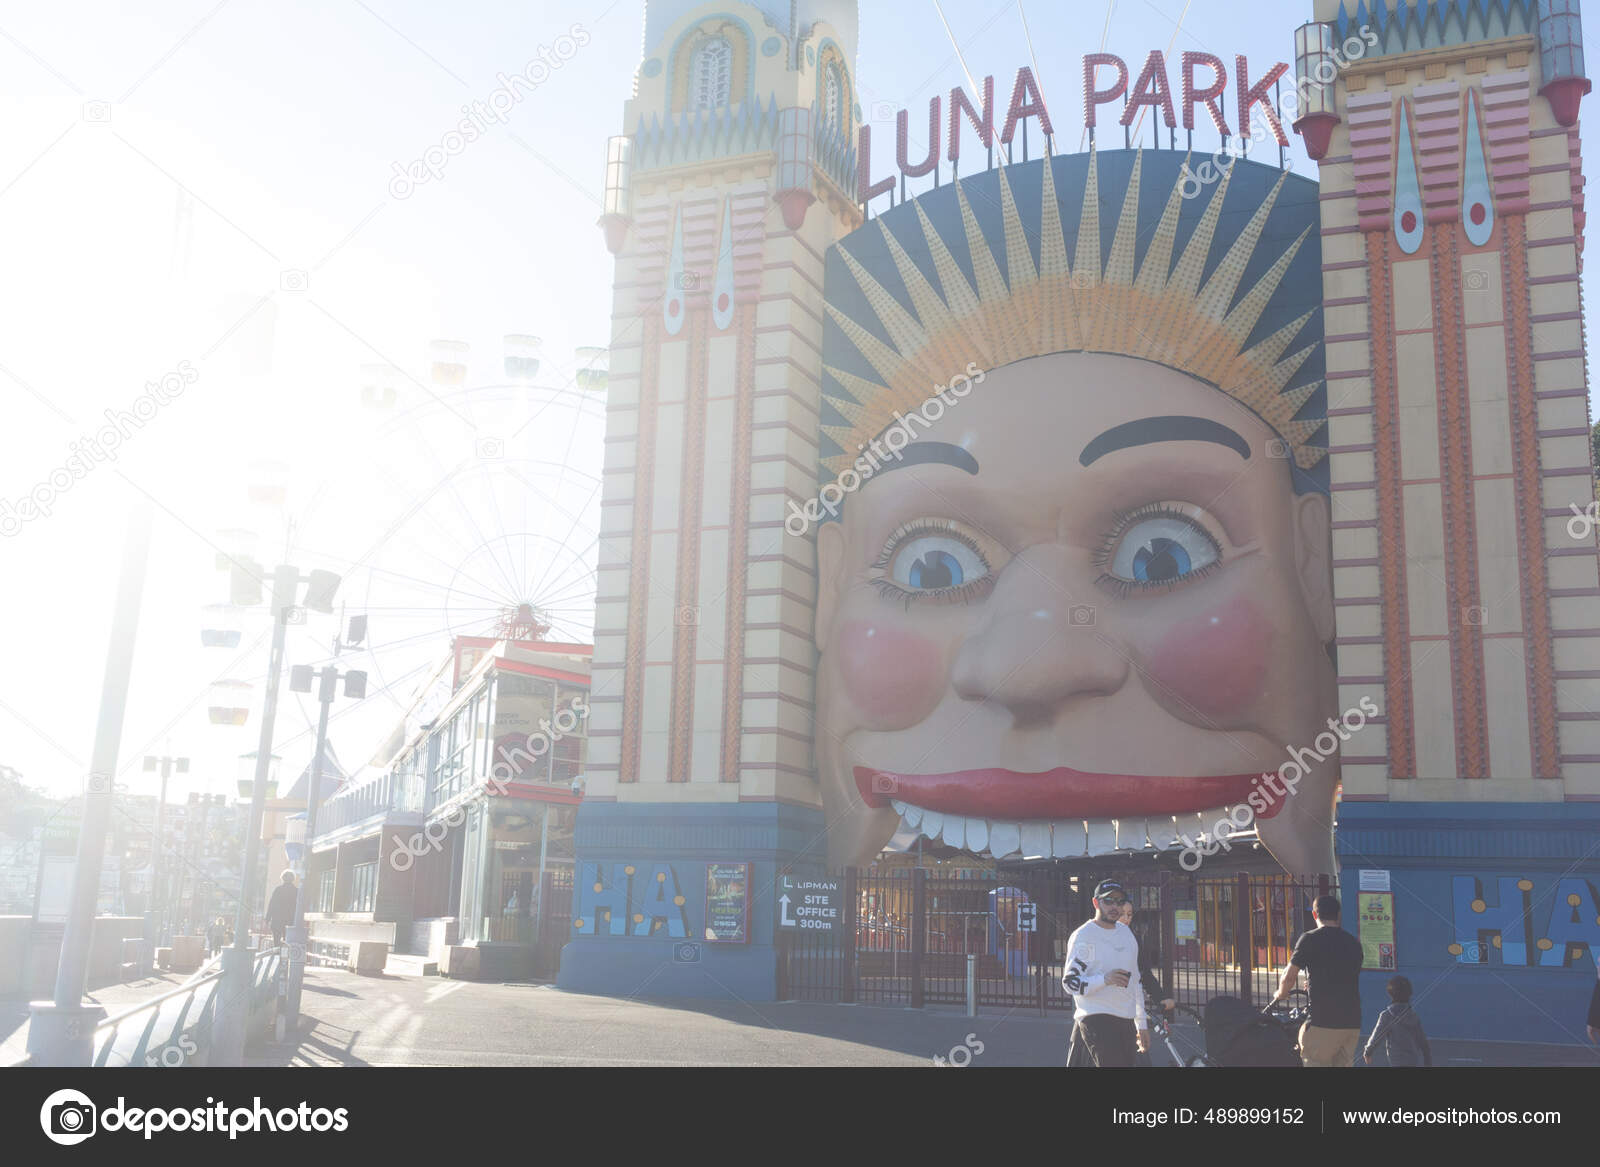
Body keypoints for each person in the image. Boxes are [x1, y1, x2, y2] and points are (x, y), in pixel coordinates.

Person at [1271, 894, 1364, 1067]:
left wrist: (1281, 993)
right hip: (1352, 1023)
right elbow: (1342, 975)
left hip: (1322, 1021)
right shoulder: (1353, 943)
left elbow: (1289, 976)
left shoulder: (1309, 938)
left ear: (1315, 915)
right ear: (1338, 916)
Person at [1063, 880, 1147, 1067]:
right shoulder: (1085, 936)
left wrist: (1141, 1024)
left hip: (1125, 1019)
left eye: (1119, 901)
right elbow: (1070, 982)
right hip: (1096, 1018)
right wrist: (1104, 979)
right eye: (1108, 901)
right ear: (1096, 903)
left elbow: (1135, 982)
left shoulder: (1126, 934)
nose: (1114, 906)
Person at [1362, 975, 1431, 1066]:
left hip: (1396, 1060)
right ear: (1409, 993)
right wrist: (1427, 1060)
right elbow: (1423, 1041)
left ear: (1390, 993)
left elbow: (1376, 1036)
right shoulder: (1413, 1015)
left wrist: (1368, 1052)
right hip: (1413, 1060)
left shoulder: (1387, 1015)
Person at [265, 870, 298, 946]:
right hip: (290, 921)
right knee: (287, 943)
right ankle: (285, 956)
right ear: (293, 879)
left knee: (276, 942)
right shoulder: (296, 891)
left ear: (282, 878)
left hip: (277, 921)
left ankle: (277, 954)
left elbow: (272, 905)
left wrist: (267, 919)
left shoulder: (278, 890)